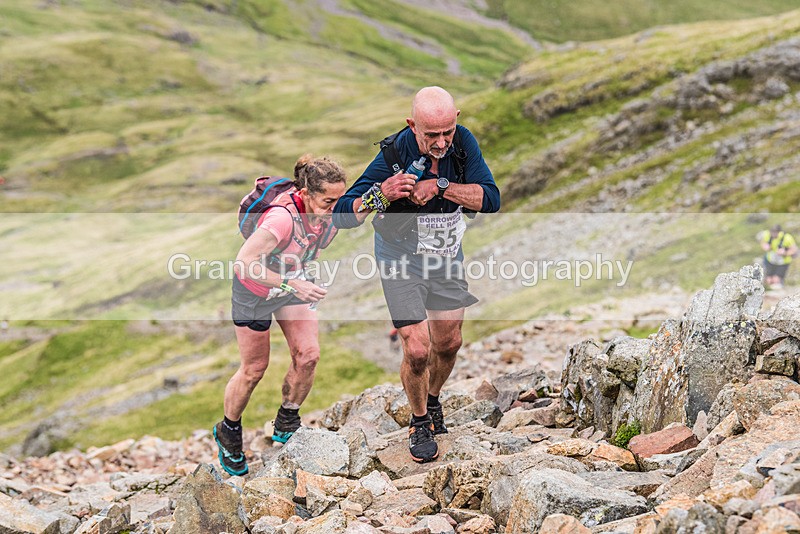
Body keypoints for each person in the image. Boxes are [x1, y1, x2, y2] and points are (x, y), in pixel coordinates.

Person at [333, 87, 500, 463]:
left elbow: (491, 199)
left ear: (456, 119)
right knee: (419, 348)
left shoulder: (464, 144)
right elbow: (343, 214)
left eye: (448, 131)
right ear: (413, 125)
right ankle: (420, 420)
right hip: (399, 257)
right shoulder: (393, 153)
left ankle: (435, 399)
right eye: (431, 134)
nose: (441, 142)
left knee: (449, 342)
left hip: (445, 256)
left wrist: (441, 186)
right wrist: (383, 194)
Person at [214, 155, 347, 476]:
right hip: (256, 291)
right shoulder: (281, 219)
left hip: (292, 287)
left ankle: (287, 420)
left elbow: (363, 206)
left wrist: (392, 191)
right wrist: (290, 282)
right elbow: (243, 262)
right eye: (329, 201)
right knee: (254, 369)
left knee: (309, 355)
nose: (336, 208)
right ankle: (228, 432)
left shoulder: (328, 211)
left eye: (340, 199)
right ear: (305, 194)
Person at [759, 224, 797, 289]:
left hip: (783, 262)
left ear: (779, 232)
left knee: (776, 280)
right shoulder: (768, 235)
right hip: (770, 260)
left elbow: (794, 250)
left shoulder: (787, 238)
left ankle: (779, 291)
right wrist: (765, 247)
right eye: (772, 231)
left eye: (775, 232)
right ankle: (767, 291)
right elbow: (763, 243)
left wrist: (784, 252)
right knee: (768, 280)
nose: (773, 233)